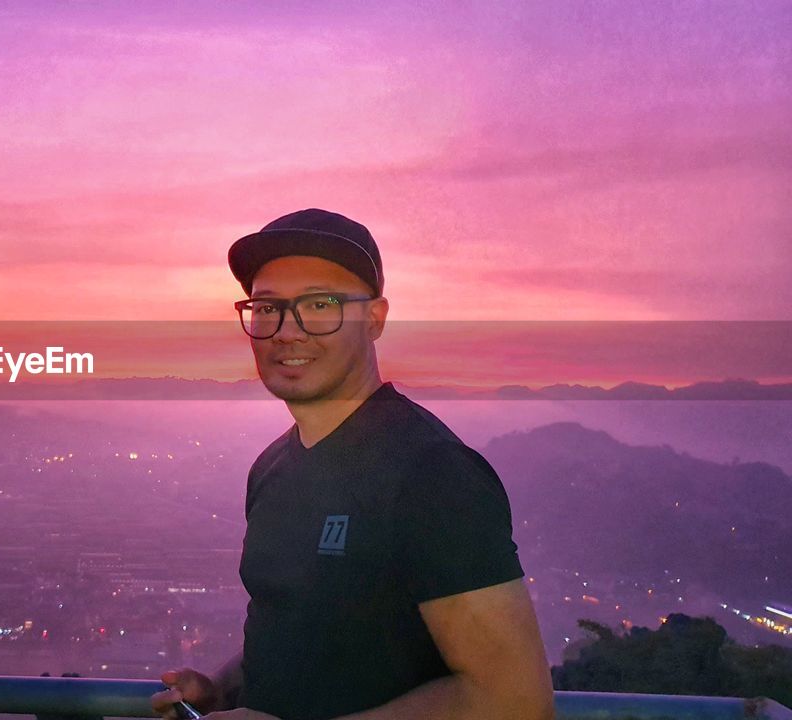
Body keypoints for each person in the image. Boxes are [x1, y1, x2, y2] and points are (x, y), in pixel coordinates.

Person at [150, 209, 554, 720]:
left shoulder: (431, 474)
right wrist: (221, 690)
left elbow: (516, 702)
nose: (287, 332)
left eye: (321, 305)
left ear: (376, 319)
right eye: (268, 308)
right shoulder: (273, 467)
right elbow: (295, 632)